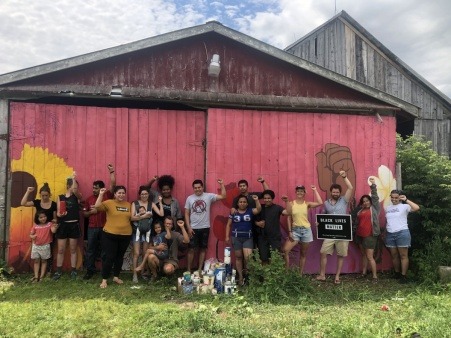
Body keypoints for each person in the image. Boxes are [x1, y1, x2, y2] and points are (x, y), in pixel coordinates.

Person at [316, 170, 353, 284]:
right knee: (323, 252)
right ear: (331, 192)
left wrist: (345, 177)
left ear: (340, 193)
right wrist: (319, 223)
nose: (335, 193)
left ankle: (337, 276)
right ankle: (322, 275)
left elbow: (350, 188)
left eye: (337, 192)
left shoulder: (344, 200)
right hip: (330, 233)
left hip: (342, 233)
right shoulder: (326, 203)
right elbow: (323, 217)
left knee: (341, 255)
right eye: (334, 192)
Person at [82, 164, 116, 280]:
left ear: (102, 188)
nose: (93, 190)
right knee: (90, 250)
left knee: (105, 250)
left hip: (105, 228)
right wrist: (92, 212)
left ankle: (105, 271)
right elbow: (84, 214)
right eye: (93, 188)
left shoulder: (107, 195)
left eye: (96, 188)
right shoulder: (89, 199)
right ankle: (90, 271)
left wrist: (111, 172)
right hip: (92, 228)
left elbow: (113, 185)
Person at [185, 179, 226, 272]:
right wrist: (188, 227)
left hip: (205, 228)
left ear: (202, 187)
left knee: (203, 249)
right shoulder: (189, 198)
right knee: (191, 249)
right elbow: (187, 213)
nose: (197, 189)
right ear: (193, 188)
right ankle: (188, 269)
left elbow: (223, 196)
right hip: (193, 228)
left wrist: (222, 184)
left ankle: (200, 269)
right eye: (195, 188)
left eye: (199, 187)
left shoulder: (209, 196)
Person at [95, 186, 132, 288]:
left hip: (125, 235)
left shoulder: (128, 205)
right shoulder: (109, 203)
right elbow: (97, 207)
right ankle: (104, 279)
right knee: (109, 257)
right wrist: (101, 194)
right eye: (119, 193)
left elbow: (132, 217)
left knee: (120, 257)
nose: (121, 195)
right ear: (115, 194)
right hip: (110, 235)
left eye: (123, 193)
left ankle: (116, 276)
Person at [283, 185, 323, 274]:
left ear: (304, 193)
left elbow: (320, 202)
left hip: (306, 231)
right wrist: (290, 232)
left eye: (302, 191)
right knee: (285, 250)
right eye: (298, 191)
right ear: (296, 192)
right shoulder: (291, 203)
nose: (299, 192)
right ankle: (286, 272)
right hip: (295, 231)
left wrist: (315, 190)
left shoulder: (307, 204)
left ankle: (300, 274)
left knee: (303, 253)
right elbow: (288, 218)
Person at [21, 183, 57, 275]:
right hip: (39, 231)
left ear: (50, 195)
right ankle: (38, 272)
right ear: (40, 195)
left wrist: (54, 223)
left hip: (49, 231)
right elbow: (23, 203)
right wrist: (28, 191)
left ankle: (47, 271)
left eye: (46, 195)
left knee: (49, 251)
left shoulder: (53, 204)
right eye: (42, 195)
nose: (44, 197)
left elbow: (55, 218)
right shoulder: (37, 202)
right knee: (37, 254)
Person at [385, 189, 420, 283]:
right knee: (394, 255)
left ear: (400, 197)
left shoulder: (405, 206)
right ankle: (397, 273)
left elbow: (416, 208)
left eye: (396, 197)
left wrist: (406, 199)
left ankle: (403, 276)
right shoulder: (388, 208)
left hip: (402, 233)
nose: (394, 199)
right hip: (390, 233)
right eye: (392, 197)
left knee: (403, 255)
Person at [130, 186, 164, 283]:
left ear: (148, 195)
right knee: (136, 253)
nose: (144, 195)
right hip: (137, 231)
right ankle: (135, 274)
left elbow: (161, 214)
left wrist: (160, 202)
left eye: (146, 194)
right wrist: (144, 216)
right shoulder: (135, 204)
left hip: (147, 233)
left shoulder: (151, 204)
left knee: (145, 253)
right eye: (142, 194)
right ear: (139, 195)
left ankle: (143, 272)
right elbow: (132, 218)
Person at [225, 195, 261, 285]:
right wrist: (227, 236)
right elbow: (228, 225)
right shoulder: (233, 212)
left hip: (248, 238)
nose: (242, 203)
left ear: (247, 203)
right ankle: (240, 276)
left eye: (244, 202)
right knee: (238, 257)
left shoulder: (250, 211)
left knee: (248, 258)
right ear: (237, 203)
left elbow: (258, 209)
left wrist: (256, 200)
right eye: (240, 202)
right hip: (236, 237)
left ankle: (248, 277)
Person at [54, 173, 82, 280]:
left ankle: (73, 271)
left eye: (76, 186)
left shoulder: (77, 196)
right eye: (73, 185)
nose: (75, 188)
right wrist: (60, 214)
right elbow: (57, 213)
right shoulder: (60, 197)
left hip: (74, 225)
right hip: (63, 225)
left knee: (73, 249)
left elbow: (76, 192)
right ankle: (59, 271)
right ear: (68, 186)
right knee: (61, 250)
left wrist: (73, 179)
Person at [353, 177, 380, 282]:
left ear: (370, 201)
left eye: (367, 200)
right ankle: (363, 273)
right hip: (360, 235)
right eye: (363, 201)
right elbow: (357, 223)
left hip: (370, 235)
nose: (366, 202)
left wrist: (373, 185)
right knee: (363, 255)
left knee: (369, 256)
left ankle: (375, 277)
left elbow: (375, 198)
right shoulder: (360, 211)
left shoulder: (375, 209)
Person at [254, 190, 290, 264]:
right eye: (265, 198)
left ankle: (274, 275)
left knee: (275, 258)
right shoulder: (260, 208)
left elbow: (288, 212)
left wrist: (287, 201)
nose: (267, 200)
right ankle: (266, 275)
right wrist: (257, 223)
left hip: (275, 238)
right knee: (264, 259)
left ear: (272, 198)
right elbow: (253, 220)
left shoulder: (277, 208)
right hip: (262, 238)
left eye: (269, 198)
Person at [29, 210, 58, 282]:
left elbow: (53, 231)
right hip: (36, 246)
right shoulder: (35, 226)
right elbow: (31, 234)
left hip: (45, 246)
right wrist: (32, 236)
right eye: (41, 217)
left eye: (44, 216)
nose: (43, 218)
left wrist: (55, 227)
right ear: (37, 218)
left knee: (44, 261)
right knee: (36, 261)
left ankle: (41, 277)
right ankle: (36, 277)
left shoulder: (49, 224)